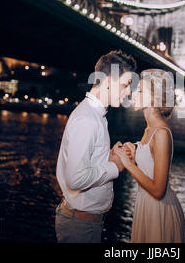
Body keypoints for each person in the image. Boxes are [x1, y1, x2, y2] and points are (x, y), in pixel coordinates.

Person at [55, 50, 136, 243]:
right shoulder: (87, 119)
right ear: (108, 81)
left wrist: (107, 156)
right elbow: (75, 179)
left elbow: (86, 164)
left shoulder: (95, 115)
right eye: (125, 85)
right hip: (80, 227)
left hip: (84, 224)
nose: (129, 92)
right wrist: (115, 165)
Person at [114, 69, 185, 243]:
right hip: (145, 205)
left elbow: (158, 190)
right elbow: (149, 170)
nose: (133, 93)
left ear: (155, 96)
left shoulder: (161, 132)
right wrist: (134, 156)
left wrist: (129, 165)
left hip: (160, 210)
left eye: (140, 91)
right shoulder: (149, 129)